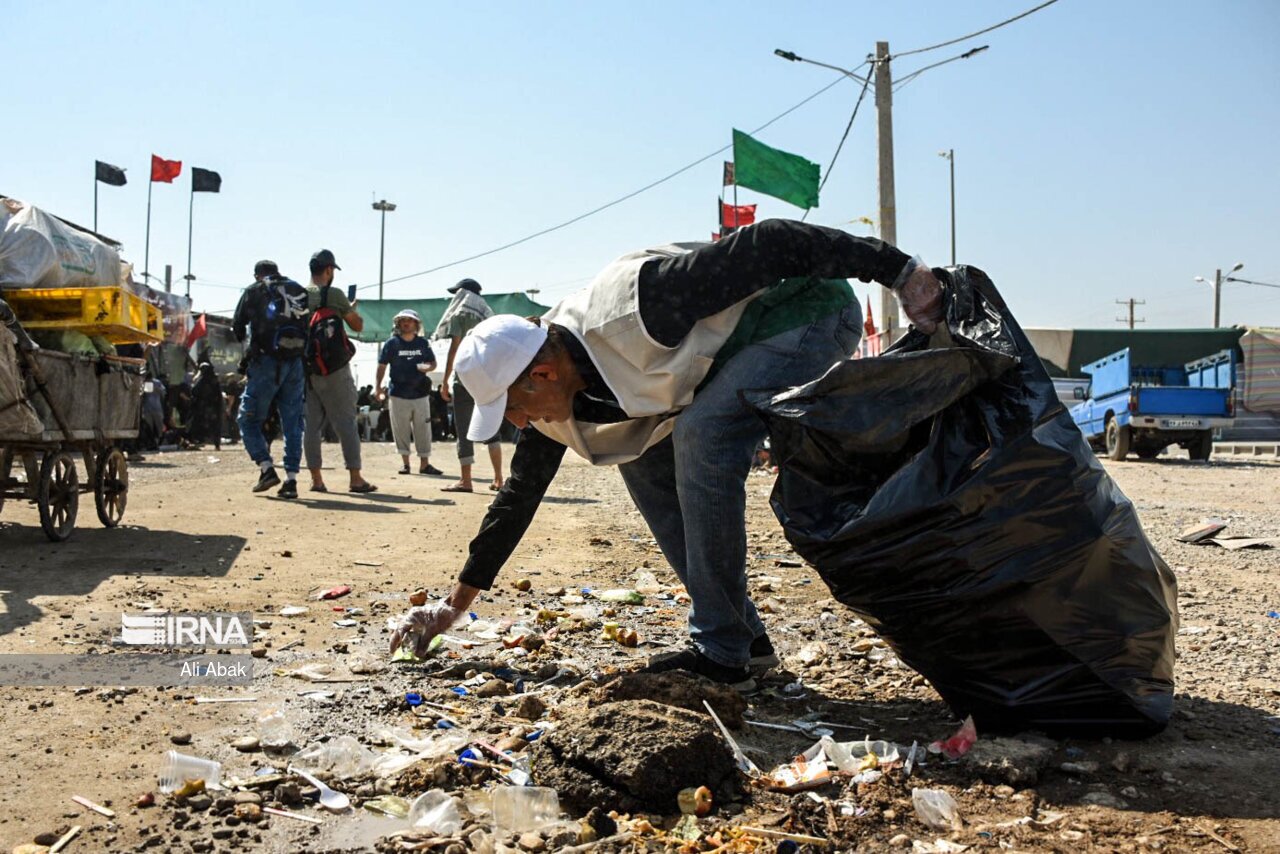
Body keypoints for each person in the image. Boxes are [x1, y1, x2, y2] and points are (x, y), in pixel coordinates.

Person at [390, 220, 944, 691]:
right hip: (734, 357)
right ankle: (743, 641)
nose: (516, 422)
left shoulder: (642, 306)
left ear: (542, 372)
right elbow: (518, 498)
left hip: (805, 314)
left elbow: (772, 242)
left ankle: (721, 654)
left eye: (513, 406)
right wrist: (452, 607)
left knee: (702, 435)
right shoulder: (557, 403)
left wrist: (899, 272)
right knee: (640, 455)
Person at [301, 249, 377, 494]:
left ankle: (316, 480)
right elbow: (357, 324)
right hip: (335, 368)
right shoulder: (334, 294)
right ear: (329, 270)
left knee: (311, 425)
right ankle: (355, 478)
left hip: (308, 368)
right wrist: (350, 309)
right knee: (346, 422)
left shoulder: (300, 295)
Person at [232, 259, 309, 497]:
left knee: (248, 420)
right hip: (295, 363)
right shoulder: (299, 290)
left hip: (266, 362)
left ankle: (266, 468)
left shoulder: (255, 290)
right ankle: (291, 480)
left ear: (257, 275)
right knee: (292, 423)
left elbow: (237, 326)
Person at [434, 278, 504, 493]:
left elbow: (455, 348)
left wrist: (446, 380)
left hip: (463, 379)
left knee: (463, 428)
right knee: (490, 425)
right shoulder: (488, 315)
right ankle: (499, 479)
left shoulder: (460, 314)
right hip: (485, 378)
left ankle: (466, 481)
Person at [376, 309, 443, 475]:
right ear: (398, 324)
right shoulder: (391, 343)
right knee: (400, 429)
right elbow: (382, 366)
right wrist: (377, 387)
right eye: (403, 320)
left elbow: (433, 363)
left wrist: (427, 367)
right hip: (398, 393)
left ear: (416, 324)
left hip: (420, 393)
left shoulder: (422, 343)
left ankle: (425, 464)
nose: (406, 323)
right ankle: (405, 464)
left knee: (423, 429)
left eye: (410, 320)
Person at [187, 362, 224, 449]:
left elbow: (195, 391)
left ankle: (199, 441)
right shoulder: (215, 380)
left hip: (203, 407)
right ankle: (216, 444)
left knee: (200, 424)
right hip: (214, 407)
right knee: (215, 425)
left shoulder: (202, 381)